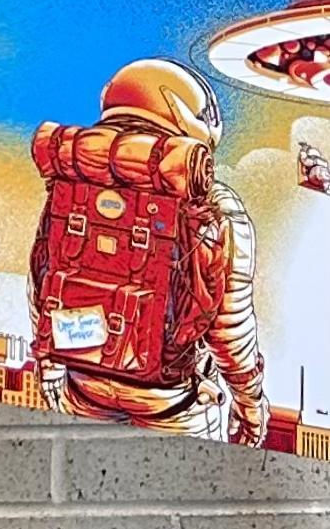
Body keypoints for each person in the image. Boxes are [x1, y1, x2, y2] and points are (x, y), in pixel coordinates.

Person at [30, 58, 265, 439]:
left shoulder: (72, 186)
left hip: (81, 385)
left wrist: (51, 369)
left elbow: (43, 282)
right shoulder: (214, 204)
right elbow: (229, 329)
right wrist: (250, 405)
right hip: (172, 402)